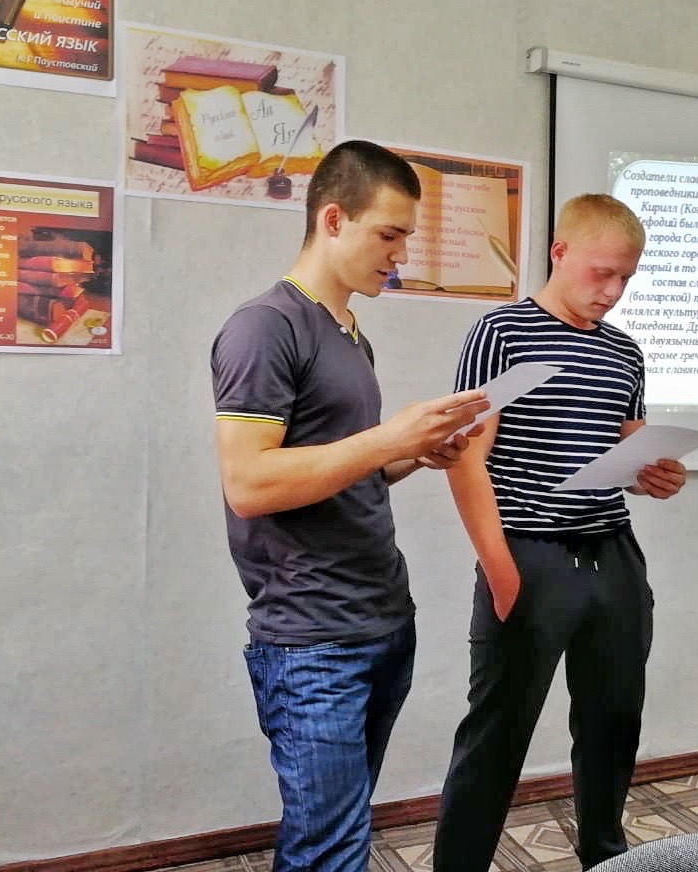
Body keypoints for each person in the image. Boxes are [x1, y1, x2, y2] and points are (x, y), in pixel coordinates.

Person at [211, 139, 490, 872]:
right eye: (389, 234)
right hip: (313, 638)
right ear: (333, 219)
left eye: (407, 237)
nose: (400, 255)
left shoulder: (350, 335)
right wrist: (387, 438)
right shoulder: (264, 327)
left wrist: (413, 452)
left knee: (339, 835)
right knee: (329, 852)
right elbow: (249, 483)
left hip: (380, 620)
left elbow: (345, 469)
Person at [432, 193, 687, 871]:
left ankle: (606, 858)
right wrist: (499, 568)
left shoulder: (624, 352)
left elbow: (626, 450)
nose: (614, 291)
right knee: (497, 734)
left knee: (613, 724)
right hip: (528, 554)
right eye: (603, 273)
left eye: (627, 277)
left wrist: (655, 474)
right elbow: (467, 458)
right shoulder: (503, 334)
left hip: (613, 556)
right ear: (560, 253)